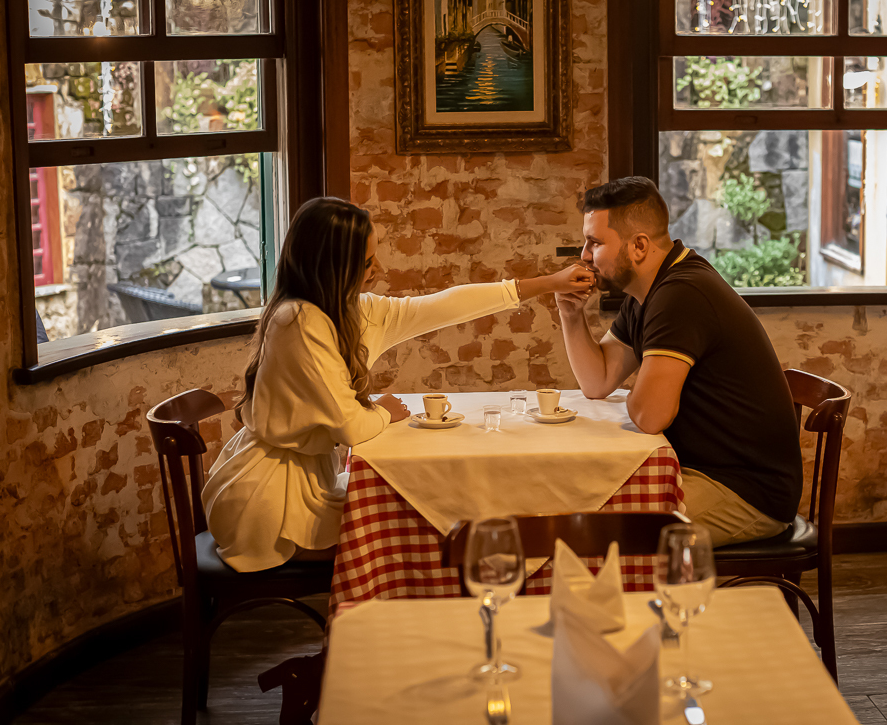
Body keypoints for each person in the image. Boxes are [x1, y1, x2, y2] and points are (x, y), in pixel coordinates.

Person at [203, 197, 594, 573]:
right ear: (335, 265)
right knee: (416, 522)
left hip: (302, 483)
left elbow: (444, 305)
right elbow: (352, 427)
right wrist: (381, 412)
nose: (378, 268)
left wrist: (547, 283)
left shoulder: (347, 310)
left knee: (422, 511)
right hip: (268, 504)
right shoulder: (299, 322)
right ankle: (394, 624)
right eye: (368, 261)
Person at [555, 176, 802, 547]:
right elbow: (598, 380)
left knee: (598, 534)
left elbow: (651, 416)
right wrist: (571, 316)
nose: (585, 255)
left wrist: (655, 375)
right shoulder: (649, 292)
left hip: (746, 493)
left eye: (595, 242)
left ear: (638, 246)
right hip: (702, 471)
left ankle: (651, 606)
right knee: (577, 507)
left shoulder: (681, 295)